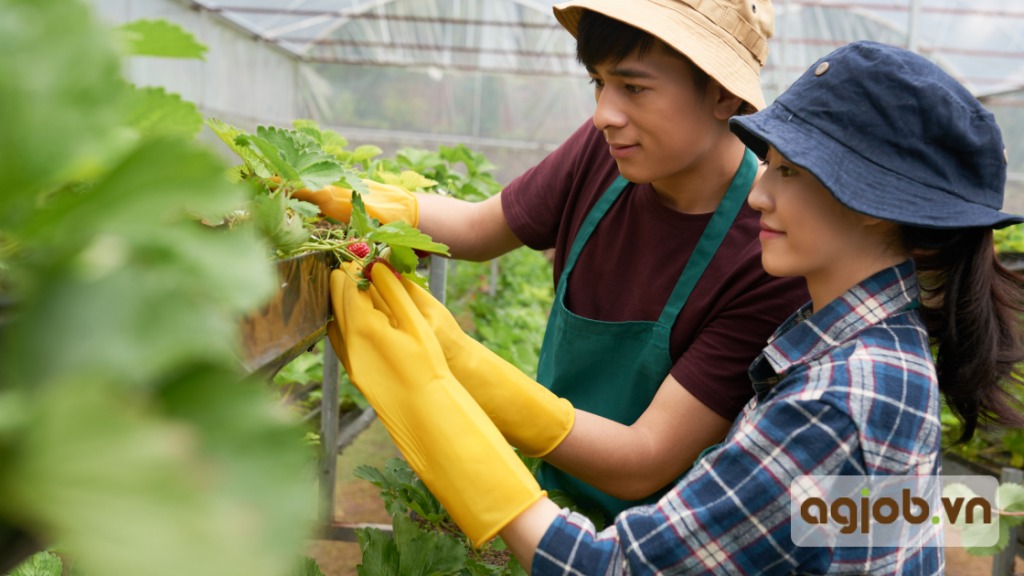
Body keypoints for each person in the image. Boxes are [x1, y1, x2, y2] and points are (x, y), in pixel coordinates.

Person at [328, 41, 1024, 574]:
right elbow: (841, 528)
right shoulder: (863, 351)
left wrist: (432, 397)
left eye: (788, 173)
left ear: (878, 209)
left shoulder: (840, 395)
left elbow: (606, 566)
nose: (759, 195)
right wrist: (454, 361)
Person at [297, 0, 808, 521]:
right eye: (598, 82)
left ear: (723, 93)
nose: (603, 114)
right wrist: (347, 197)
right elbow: (477, 230)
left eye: (633, 87)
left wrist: (459, 362)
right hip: (553, 498)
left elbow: (644, 459)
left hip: (661, 540)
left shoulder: (769, 250)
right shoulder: (606, 152)